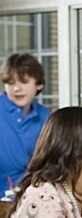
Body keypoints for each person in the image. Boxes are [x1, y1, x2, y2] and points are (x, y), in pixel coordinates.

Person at [0, 52, 51, 189]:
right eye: (10, 83)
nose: (16, 88)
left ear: (39, 84)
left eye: (24, 82)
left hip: (32, 192)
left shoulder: (45, 116)